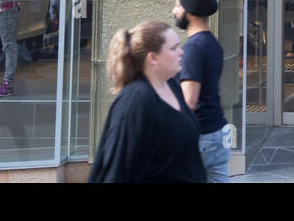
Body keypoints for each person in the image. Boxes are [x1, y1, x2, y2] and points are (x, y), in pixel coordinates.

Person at [87, 21, 206, 183]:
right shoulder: (135, 101)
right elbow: (117, 171)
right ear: (153, 58)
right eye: (173, 48)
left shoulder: (171, 85)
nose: (181, 53)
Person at [173, 0, 230, 183]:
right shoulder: (211, 43)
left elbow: (189, 101)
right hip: (217, 130)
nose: (174, 11)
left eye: (177, 5)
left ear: (189, 10)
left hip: (201, 136)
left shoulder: (192, 49)